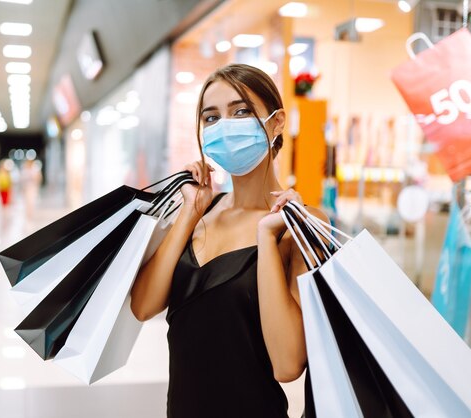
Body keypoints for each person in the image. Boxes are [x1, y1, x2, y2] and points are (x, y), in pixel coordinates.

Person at [130, 63, 328, 417]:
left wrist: (267, 238)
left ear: (277, 122)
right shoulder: (201, 212)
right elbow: (143, 306)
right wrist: (190, 212)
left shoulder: (303, 224)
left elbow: (287, 364)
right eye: (211, 117)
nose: (224, 126)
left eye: (240, 112)